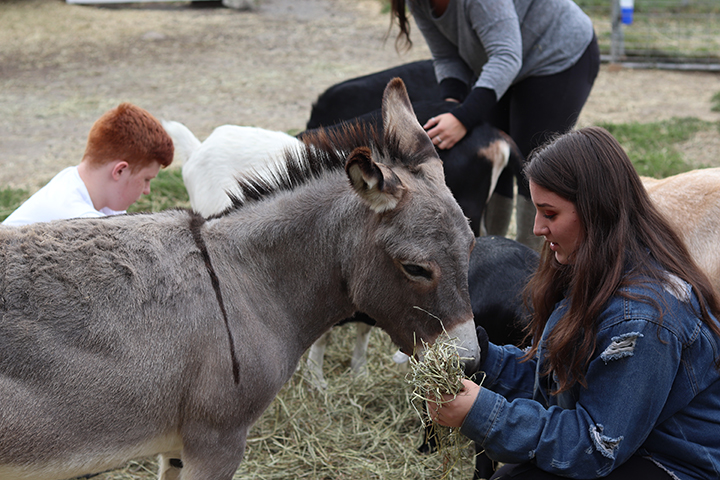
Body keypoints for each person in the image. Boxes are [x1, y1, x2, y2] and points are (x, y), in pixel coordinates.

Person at [427, 127, 720, 479]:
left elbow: (595, 446)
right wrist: (479, 357)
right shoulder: (596, 272)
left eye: (550, 214)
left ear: (597, 210)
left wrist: (480, 413)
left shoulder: (643, 318)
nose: (536, 228)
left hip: (672, 463)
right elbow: (554, 384)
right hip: (633, 444)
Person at [389, 0, 600, 248]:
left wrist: (463, 117)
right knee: (493, 157)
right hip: (504, 64)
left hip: (557, 53)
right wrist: (451, 106)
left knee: (535, 164)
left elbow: (506, 56)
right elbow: (446, 56)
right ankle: (492, 251)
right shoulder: (420, 2)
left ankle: (533, 264)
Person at [2, 102, 174, 226]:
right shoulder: (78, 220)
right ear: (120, 171)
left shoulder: (77, 183)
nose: (147, 190)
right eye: (146, 179)